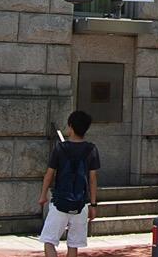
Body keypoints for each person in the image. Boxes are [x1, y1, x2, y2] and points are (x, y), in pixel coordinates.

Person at [38, 110, 101, 257]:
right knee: (73, 245)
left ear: (70, 126)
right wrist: (93, 204)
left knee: (49, 241)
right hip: (81, 202)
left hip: (60, 200)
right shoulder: (91, 149)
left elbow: (49, 174)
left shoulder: (60, 148)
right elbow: (93, 178)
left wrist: (43, 195)